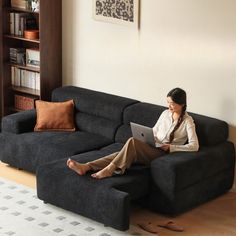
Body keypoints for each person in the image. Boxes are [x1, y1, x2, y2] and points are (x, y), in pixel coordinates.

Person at [67, 88, 199, 179]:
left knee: (131, 142)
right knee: (121, 153)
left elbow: (194, 146)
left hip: (163, 153)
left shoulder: (188, 121)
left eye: (172, 104)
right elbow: (154, 130)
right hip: (154, 146)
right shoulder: (165, 114)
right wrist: (150, 136)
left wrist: (171, 147)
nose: (169, 106)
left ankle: (110, 170)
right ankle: (86, 166)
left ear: (182, 104)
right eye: (168, 103)